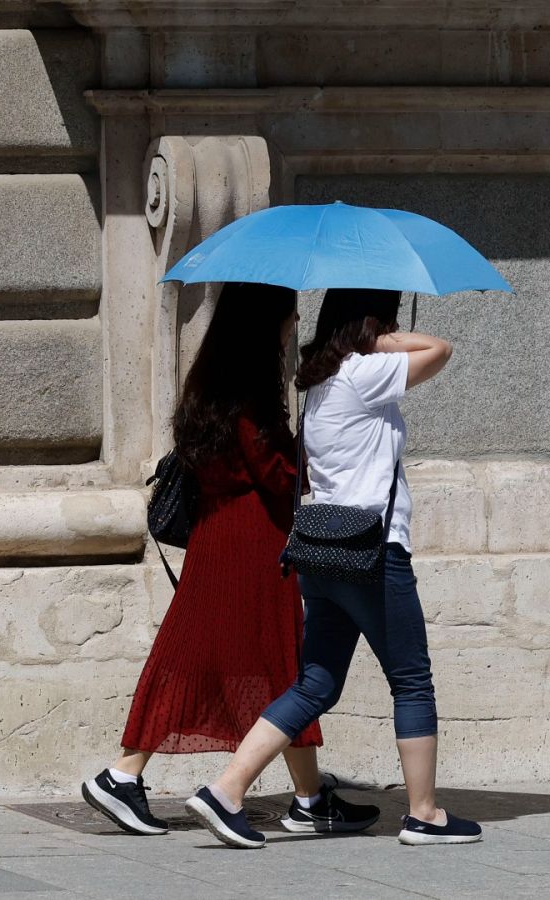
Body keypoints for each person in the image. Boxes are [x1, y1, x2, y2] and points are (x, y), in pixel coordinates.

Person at [185, 287, 480, 850]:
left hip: (323, 556)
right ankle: (424, 814)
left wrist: (364, 335)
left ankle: (226, 790)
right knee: (412, 680)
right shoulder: (362, 373)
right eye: (388, 318)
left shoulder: (318, 383)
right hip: (374, 554)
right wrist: (377, 338)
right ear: (371, 322)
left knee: (315, 684)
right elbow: (441, 349)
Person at [82, 282, 378, 837]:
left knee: (255, 660)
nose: (295, 321)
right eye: (289, 311)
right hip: (251, 538)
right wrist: (311, 453)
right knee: (280, 660)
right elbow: (274, 473)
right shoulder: (251, 389)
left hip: (219, 534)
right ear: (267, 318)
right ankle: (125, 774)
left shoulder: (212, 379)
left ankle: (309, 796)